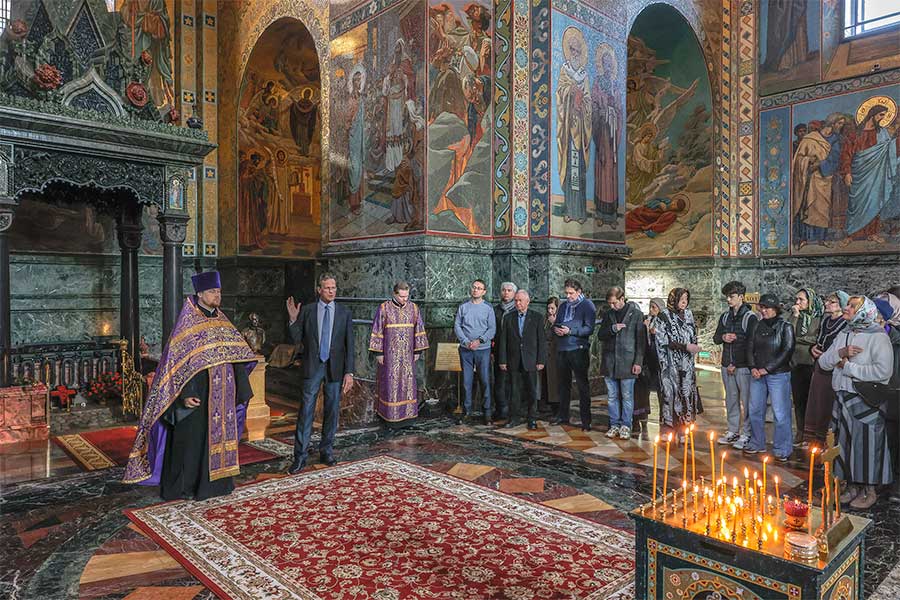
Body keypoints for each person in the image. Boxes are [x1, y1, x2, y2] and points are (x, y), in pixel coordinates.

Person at [123, 271, 257, 500]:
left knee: (219, 440)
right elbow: (177, 364)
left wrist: (241, 389)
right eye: (213, 291)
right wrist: (186, 393)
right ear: (200, 293)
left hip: (223, 395)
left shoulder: (223, 322)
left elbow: (236, 356)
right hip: (197, 395)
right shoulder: (188, 323)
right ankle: (189, 487)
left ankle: (218, 485)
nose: (217, 296)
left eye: (219, 291)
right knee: (192, 442)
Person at [819, 296, 894, 509]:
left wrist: (849, 368)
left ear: (864, 311)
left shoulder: (878, 337)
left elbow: (883, 372)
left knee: (867, 446)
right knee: (844, 445)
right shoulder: (844, 333)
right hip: (842, 398)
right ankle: (851, 487)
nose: (847, 308)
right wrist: (840, 353)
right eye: (848, 305)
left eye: (852, 306)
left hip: (864, 400)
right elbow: (824, 363)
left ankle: (869, 490)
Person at [285, 274, 355, 473]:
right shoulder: (308, 310)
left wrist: (349, 372)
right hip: (313, 367)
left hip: (335, 369)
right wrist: (293, 319)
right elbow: (296, 339)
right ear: (319, 289)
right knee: (306, 411)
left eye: (334, 287)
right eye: (327, 288)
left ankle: (327, 451)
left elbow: (350, 345)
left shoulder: (344, 312)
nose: (331, 291)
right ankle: (300, 457)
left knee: (332, 411)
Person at [368, 281, 429, 426]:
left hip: (408, 355)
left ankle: (408, 417)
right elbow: (377, 329)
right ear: (394, 294)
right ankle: (390, 417)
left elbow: (419, 328)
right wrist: (378, 352)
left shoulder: (413, 308)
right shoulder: (384, 308)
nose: (404, 299)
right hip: (390, 355)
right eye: (401, 296)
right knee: (391, 384)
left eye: (406, 296)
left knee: (408, 384)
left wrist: (418, 350)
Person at [744, 293, 796, 462]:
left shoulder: (785, 327)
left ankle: (782, 448)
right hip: (757, 373)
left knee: (780, 413)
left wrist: (767, 369)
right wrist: (753, 367)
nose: (763, 311)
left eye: (767, 308)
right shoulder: (757, 326)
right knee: (754, 410)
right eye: (762, 307)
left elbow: (787, 350)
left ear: (775, 309)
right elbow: (749, 347)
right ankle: (757, 442)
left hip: (778, 374)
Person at [596, 287, 645, 440]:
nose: (612, 306)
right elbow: (600, 335)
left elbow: (640, 341)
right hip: (610, 362)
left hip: (628, 361)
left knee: (627, 396)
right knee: (612, 396)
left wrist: (638, 362)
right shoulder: (608, 314)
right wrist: (612, 328)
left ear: (622, 299)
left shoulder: (636, 314)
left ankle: (626, 425)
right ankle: (614, 424)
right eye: (610, 303)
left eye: (614, 303)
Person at [713, 281, 757, 450]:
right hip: (727, 364)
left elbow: (751, 344)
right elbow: (716, 338)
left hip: (743, 367)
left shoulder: (750, 317)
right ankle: (732, 430)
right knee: (731, 400)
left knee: (746, 401)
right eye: (727, 297)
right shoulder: (725, 316)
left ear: (741, 297)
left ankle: (747, 433)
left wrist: (736, 364)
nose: (728, 300)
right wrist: (724, 337)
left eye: (731, 296)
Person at [803, 290, 849, 446]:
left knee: (827, 404)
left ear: (841, 305)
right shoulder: (826, 320)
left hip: (833, 369)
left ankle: (826, 442)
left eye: (832, 302)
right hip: (819, 367)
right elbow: (819, 341)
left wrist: (828, 355)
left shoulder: (845, 324)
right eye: (827, 301)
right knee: (817, 402)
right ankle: (815, 441)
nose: (827, 304)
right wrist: (813, 349)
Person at [655, 288, 701, 439]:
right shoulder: (663, 316)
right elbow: (662, 340)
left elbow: (692, 334)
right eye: (681, 299)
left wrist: (693, 346)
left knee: (686, 394)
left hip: (686, 364)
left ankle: (683, 430)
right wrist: (685, 346)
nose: (684, 302)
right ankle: (668, 429)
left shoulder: (688, 314)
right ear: (673, 300)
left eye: (686, 299)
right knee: (670, 395)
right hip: (670, 364)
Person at [551, 279, 597, 430]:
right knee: (563, 385)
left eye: (571, 293)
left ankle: (586, 421)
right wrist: (556, 329)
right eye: (566, 293)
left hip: (578, 349)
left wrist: (570, 331)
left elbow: (589, 329)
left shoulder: (587, 305)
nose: (568, 296)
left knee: (582, 386)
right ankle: (563, 415)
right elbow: (557, 322)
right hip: (562, 349)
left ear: (579, 292)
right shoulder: (564, 305)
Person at [498, 290, 546, 430]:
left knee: (532, 391)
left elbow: (541, 341)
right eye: (516, 300)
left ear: (527, 301)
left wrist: (541, 360)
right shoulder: (508, 318)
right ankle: (514, 418)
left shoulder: (537, 317)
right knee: (514, 391)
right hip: (513, 360)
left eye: (520, 300)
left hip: (530, 360)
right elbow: (503, 340)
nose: (518, 303)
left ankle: (532, 419)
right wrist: (502, 360)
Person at [454, 279, 496, 424]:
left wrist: (479, 341)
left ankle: (487, 413)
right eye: (474, 287)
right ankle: (467, 412)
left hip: (483, 350)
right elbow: (457, 326)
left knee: (485, 381)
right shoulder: (463, 307)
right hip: (466, 350)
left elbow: (492, 329)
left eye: (479, 288)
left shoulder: (488, 308)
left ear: (484, 292)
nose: (475, 290)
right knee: (467, 382)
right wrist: (466, 341)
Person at [789, 288, 823, 449]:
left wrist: (799, 339)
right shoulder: (796, 316)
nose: (797, 302)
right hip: (796, 363)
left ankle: (812, 434)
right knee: (799, 401)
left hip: (811, 364)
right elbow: (789, 334)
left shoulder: (819, 318)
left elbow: (816, 338)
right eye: (796, 299)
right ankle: (800, 432)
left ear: (810, 301)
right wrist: (795, 316)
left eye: (801, 299)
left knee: (812, 400)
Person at [493, 282, 518, 420]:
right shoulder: (495, 310)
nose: (506, 293)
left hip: (514, 352)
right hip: (498, 350)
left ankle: (513, 410)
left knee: (513, 382)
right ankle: (501, 409)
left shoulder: (517, 310)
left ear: (514, 293)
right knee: (499, 381)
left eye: (509, 290)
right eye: (503, 290)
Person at [541, 297, 561, 415]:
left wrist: (554, 323)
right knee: (545, 381)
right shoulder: (544, 319)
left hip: (555, 354)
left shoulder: (560, 319)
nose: (550, 311)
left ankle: (557, 407)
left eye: (552, 308)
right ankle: (546, 404)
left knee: (555, 381)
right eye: (548, 308)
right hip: (545, 353)